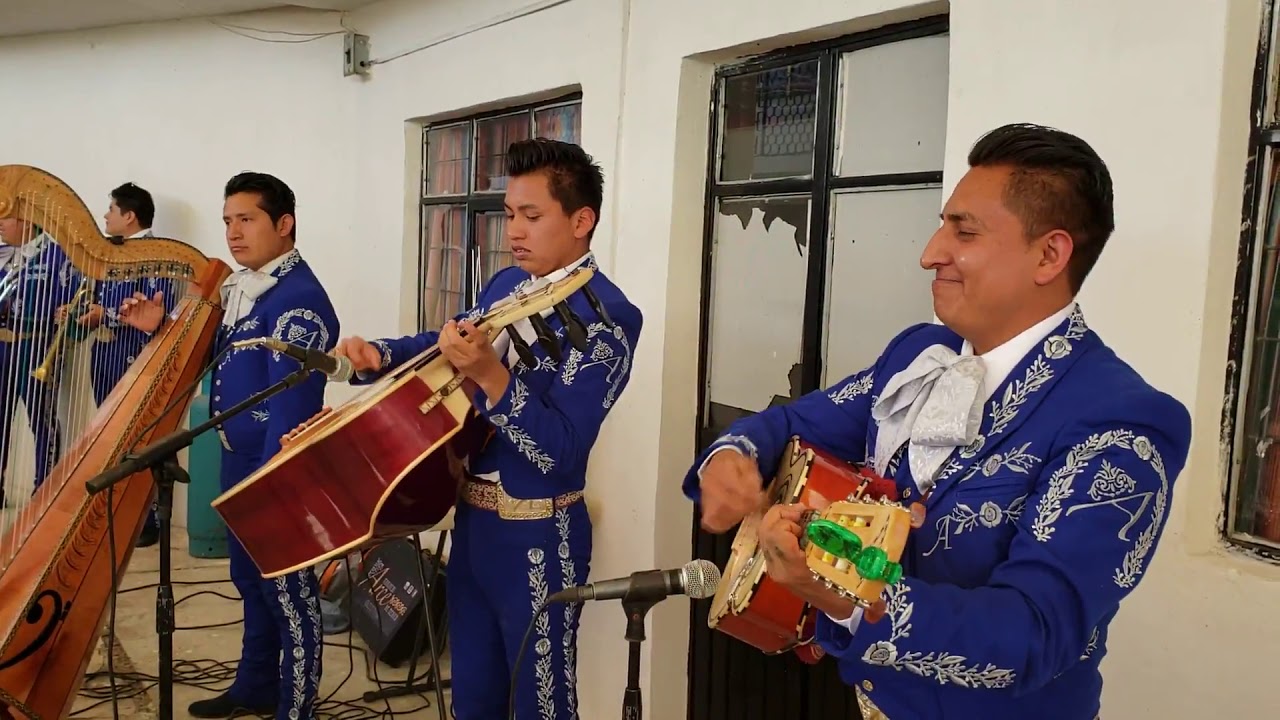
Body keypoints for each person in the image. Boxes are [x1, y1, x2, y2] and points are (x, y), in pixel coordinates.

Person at [683, 123, 1192, 720]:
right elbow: (795, 424)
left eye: (964, 232)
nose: (931, 253)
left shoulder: (1121, 422)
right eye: (943, 224)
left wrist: (840, 596)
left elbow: (1032, 637)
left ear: (1050, 255)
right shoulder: (921, 356)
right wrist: (733, 457)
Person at [329, 138, 642, 720]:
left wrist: (494, 379)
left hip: (541, 538)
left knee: (539, 702)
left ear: (582, 220)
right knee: (471, 695)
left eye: (532, 216)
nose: (514, 231)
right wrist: (380, 354)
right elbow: (450, 343)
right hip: (472, 521)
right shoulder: (505, 284)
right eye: (509, 215)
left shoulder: (610, 318)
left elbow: (564, 451)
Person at [120, 172, 337, 720]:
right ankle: (256, 685)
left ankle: (297, 706)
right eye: (227, 221)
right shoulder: (246, 286)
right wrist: (159, 328)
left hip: (273, 471)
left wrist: (265, 484)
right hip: (238, 462)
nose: (233, 233)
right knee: (249, 581)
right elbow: (217, 362)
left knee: (288, 593)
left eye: (247, 220)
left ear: (283, 224)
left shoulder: (298, 301)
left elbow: (289, 409)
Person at [63, 181, 176, 546]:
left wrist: (105, 315)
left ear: (129, 216)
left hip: (138, 359)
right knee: (113, 439)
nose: (105, 217)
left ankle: (149, 520)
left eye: (110, 210)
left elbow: (160, 308)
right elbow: (97, 300)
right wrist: (77, 311)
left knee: (145, 438)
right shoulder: (110, 255)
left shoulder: (160, 255)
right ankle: (122, 514)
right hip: (106, 359)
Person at [0, 216, 79, 508]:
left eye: (6, 216)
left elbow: (74, 302)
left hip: (35, 345)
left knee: (41, 419)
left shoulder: (58, 255)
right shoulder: (4, 255)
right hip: (2, 345)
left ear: (27, 219)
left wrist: (67, 311)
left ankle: (43, 489)